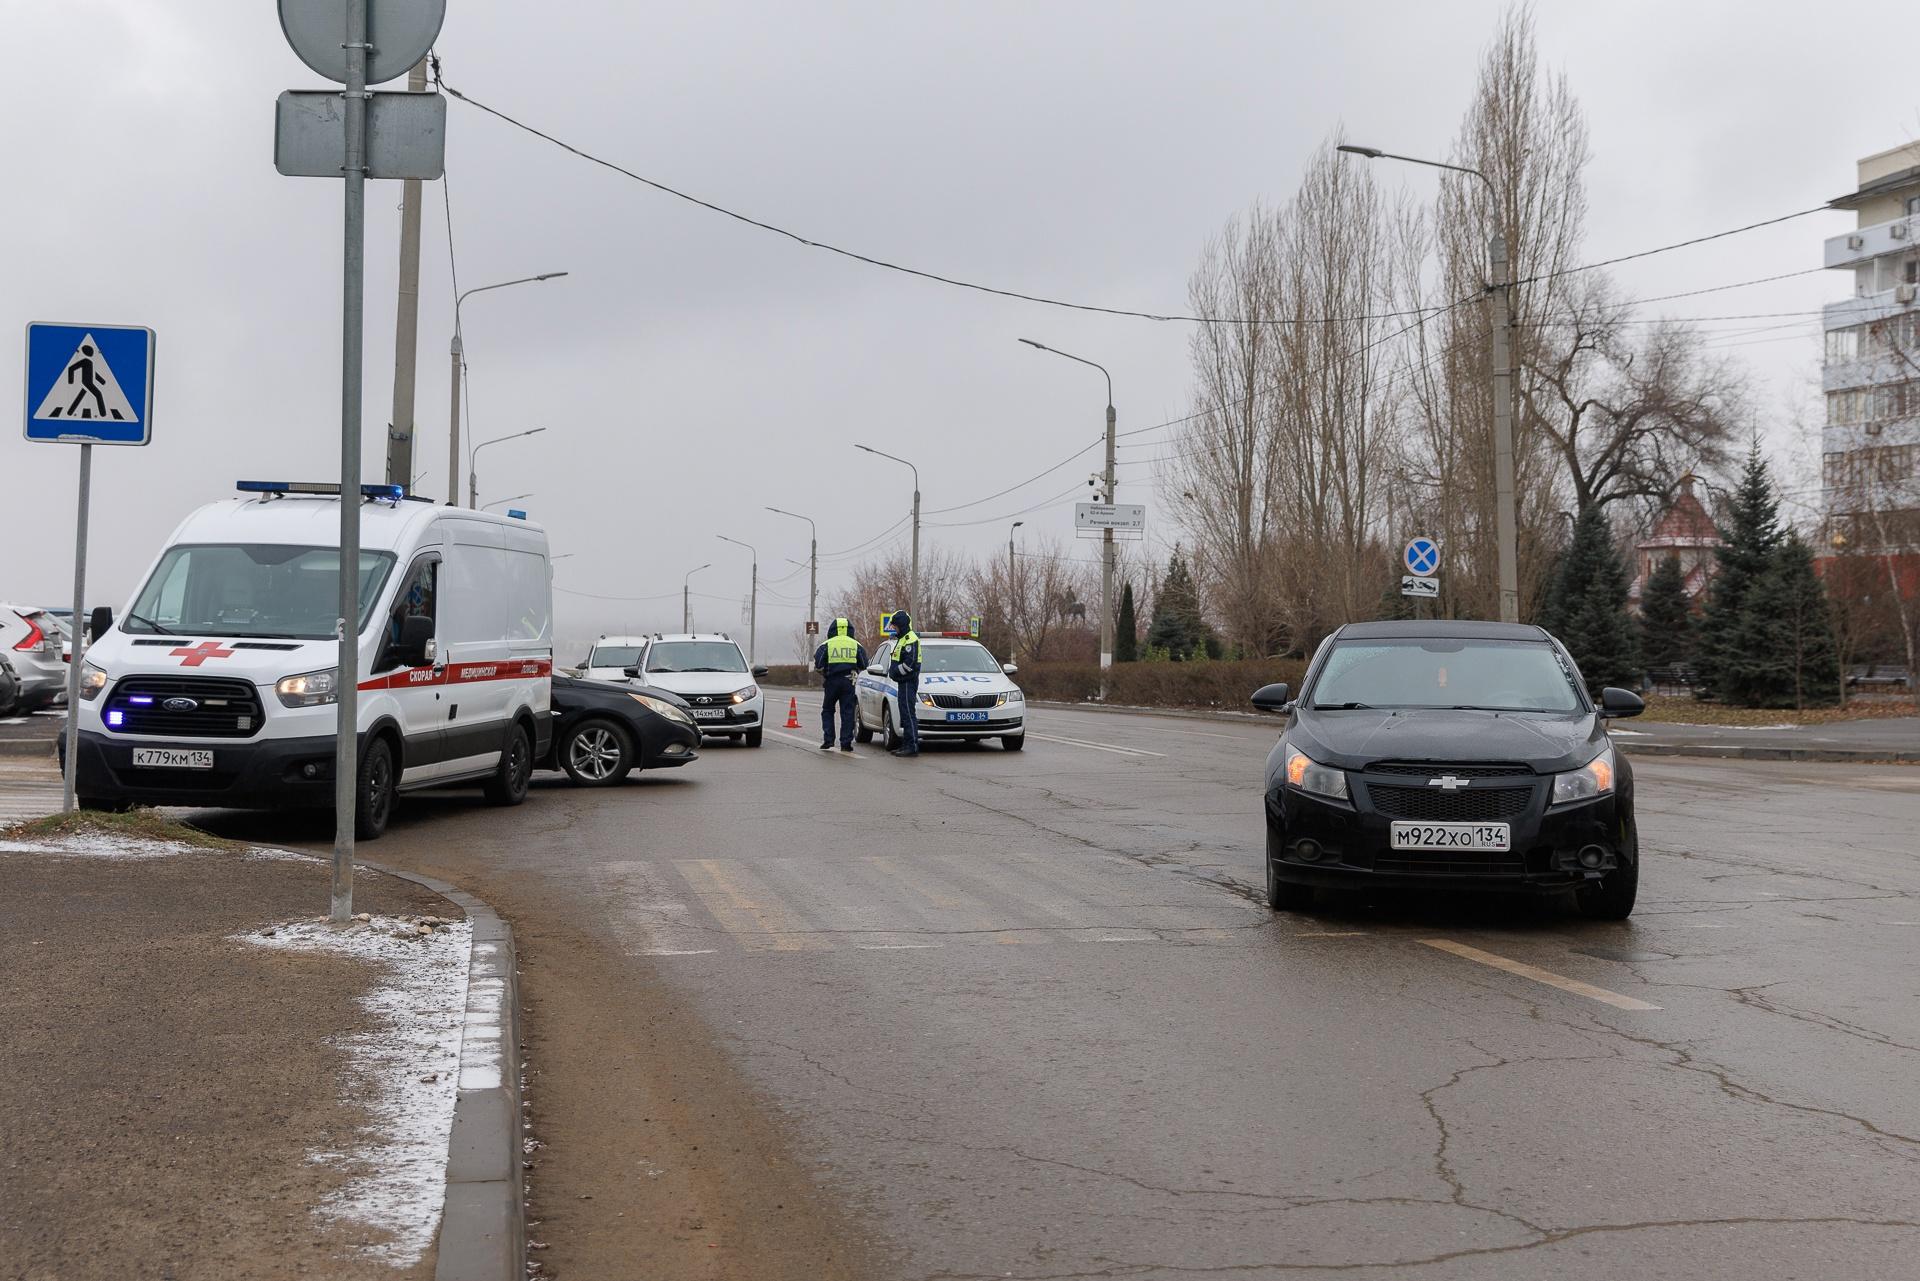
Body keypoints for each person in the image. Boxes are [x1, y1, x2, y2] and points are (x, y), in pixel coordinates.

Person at [811, 617, 867, 752]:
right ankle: (846, 743)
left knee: (828, 710)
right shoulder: (856, 645)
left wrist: (825, 672)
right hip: (849, 681)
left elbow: (818, 663)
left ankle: (828, 740)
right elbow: (864, 664)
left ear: (832, 630)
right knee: (848, 712)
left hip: (831, 681)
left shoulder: (826, 645)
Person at [885, 609, 922, 757]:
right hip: (903, 682)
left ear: (901, 625)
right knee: (905, 713)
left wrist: (895, 673)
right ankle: (906, 744)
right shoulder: (903, 638)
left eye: (895, 626)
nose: (894, 628)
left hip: (907, 681)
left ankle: (911, 746)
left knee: (908, 713)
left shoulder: (910, 639)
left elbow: (910, 663)